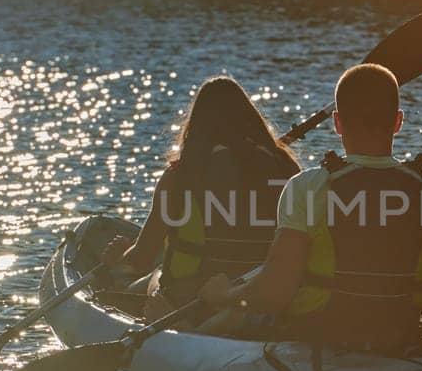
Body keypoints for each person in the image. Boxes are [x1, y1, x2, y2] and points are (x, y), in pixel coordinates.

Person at [202, 62, 422, 350]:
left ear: (337, 123)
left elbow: (274, 294)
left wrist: (223, 296)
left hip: (321, 338)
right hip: (407, 340)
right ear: (397, 121)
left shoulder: (307, 187)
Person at [102, 75, 299, 320]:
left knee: (141, 276)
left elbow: (142, 256)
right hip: (258, 295)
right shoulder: (286, 167)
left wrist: (116, 261)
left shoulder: (181, 174)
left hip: (191, 298)